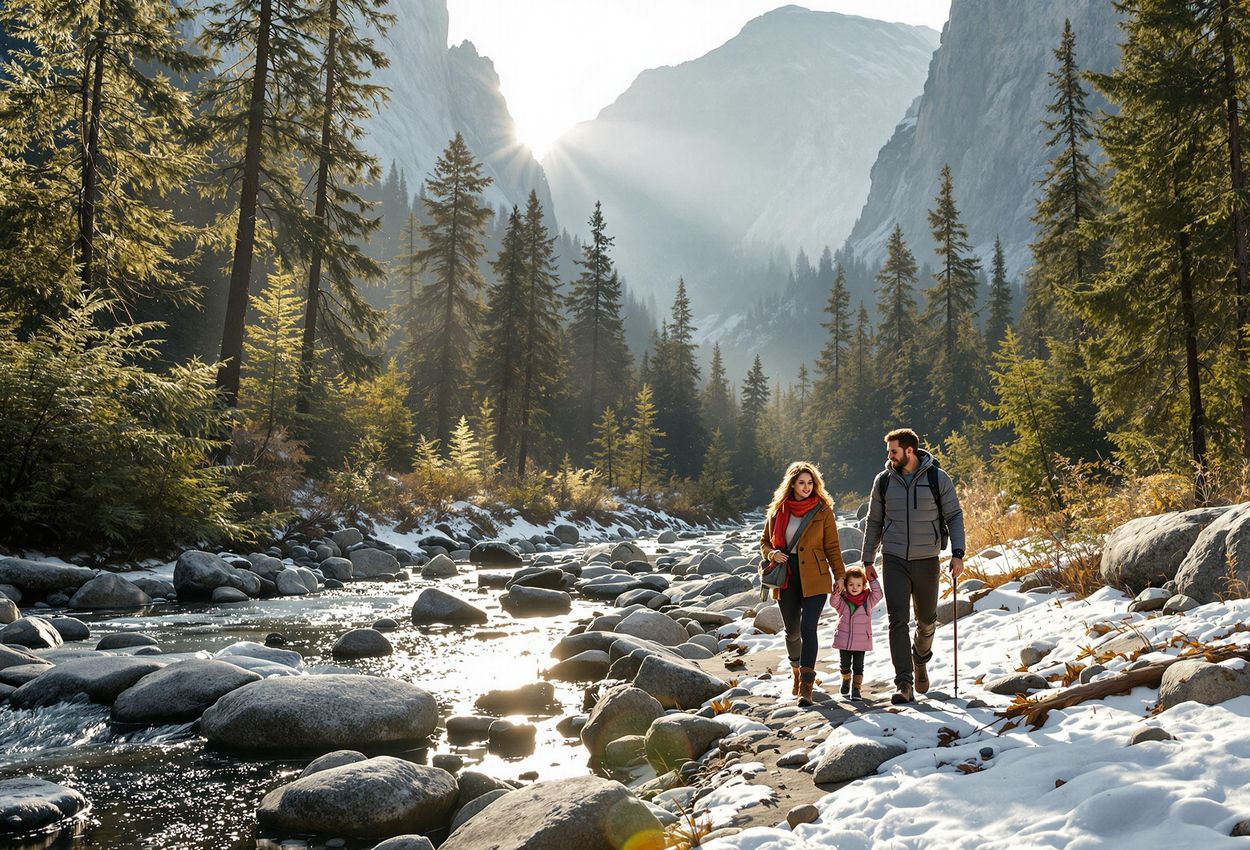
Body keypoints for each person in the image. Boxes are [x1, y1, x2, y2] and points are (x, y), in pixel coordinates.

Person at [859, 428, 966, 705]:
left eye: (893, 451)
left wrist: (958, 553)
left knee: (927, 620)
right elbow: (873, 521)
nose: (889, 457)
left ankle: (920, 659)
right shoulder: (883, 481)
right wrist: (867, 559)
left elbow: (954, 515)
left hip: (927, 559)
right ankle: (903, 683)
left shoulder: (936, 478)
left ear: (909, 451)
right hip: (893, 558)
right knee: (897, 620)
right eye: (888, 452)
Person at [759, 461, 846, 707]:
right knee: (793, 631)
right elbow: (765, 541)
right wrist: (771, 554)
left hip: (816, 576)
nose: (806, 487)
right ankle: (796, 671)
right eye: (801, 483)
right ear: (792, 484)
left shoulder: (823, 510)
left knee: (809, 628)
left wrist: (839, 575)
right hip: (787, 575)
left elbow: (832, 546)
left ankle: (807, 686)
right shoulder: (777, 510)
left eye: (810, 483)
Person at [830, 563, 883, 700]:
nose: (855, 588)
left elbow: (879, 594)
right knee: (845, 665)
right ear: (846, 585)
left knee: (859, 667)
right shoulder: (842, 601)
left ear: (864, 586)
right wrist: (837, 590)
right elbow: (833, 602)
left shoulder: (868, 601)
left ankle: (856, 690)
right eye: (851, 584)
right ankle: (846, 679)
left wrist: (872, 580)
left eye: (858, 585)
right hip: (844, 640)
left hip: (861, 641)